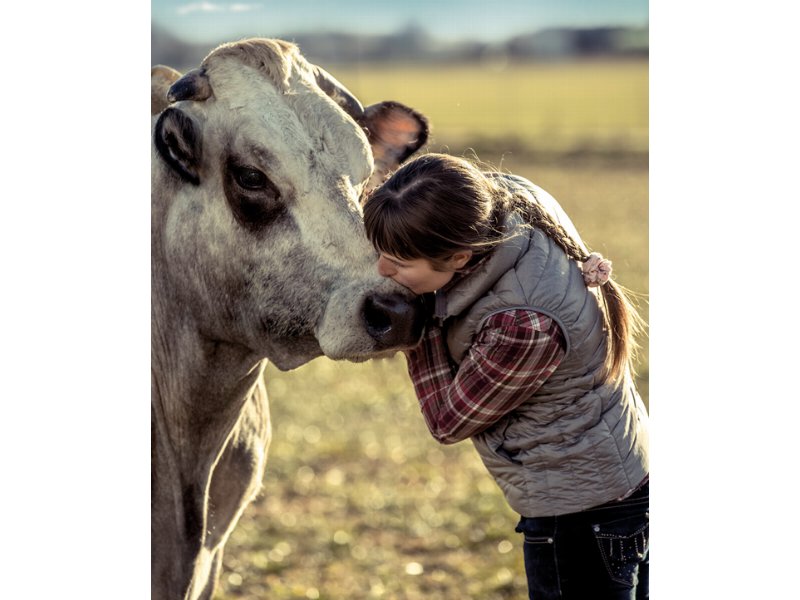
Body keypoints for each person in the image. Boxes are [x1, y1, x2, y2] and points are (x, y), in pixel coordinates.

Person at [363, 153, 649, 600]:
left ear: (459, 257)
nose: (382, 270)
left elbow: (448, 420)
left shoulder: (523, 325)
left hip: (582, 511)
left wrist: (415, 328)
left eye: (400, 262)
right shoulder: (504, 201)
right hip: (616, 475)